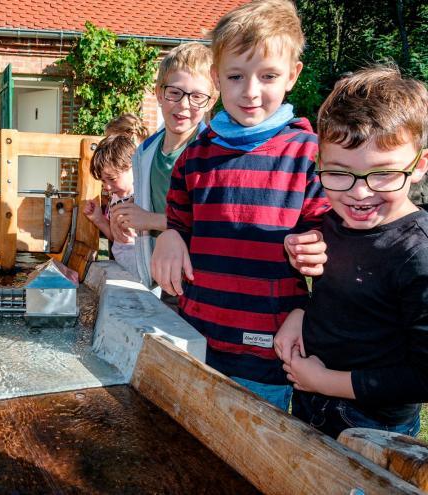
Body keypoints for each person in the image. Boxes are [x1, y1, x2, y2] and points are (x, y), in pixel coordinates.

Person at [151, 0, 331, 410]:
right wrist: (171, 236)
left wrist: (318, 247)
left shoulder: (309, 156)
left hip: (267, 353)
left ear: (293, 76)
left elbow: (330, 239)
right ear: (216, 78)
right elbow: (178, 218)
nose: (250, 91)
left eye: (268, 76)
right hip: (195, 337)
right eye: (235, 76)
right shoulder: (195, 156)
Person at [275, 67, 428, 438]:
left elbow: (422, 377)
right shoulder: (332, 222)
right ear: (320, 165)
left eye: (383, 174)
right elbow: (345, 297)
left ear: (419, 166)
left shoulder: (418, 256)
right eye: (339, 173)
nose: (359, 194)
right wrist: (300, 311)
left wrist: (329, 382)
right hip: (313, 402)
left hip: (375, 427)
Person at [109, 43, 217, 293]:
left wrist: (148, 220)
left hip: (201, 280)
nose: (184, 105)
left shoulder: (211, 154)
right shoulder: (144, 153)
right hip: (163, 278)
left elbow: (212, 223)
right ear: (159, 94)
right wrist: (125, 220)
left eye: (197, 96)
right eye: (174, 92)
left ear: (211, 101)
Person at [83, 134, 138, 277]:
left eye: (112, 179)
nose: (106, 186)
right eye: (102, 181)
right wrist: (98, 219)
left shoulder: (142, 198)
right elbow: (118, 239)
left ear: (132, 166)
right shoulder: (116, 197)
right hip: (122, 268)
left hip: (143, 274)